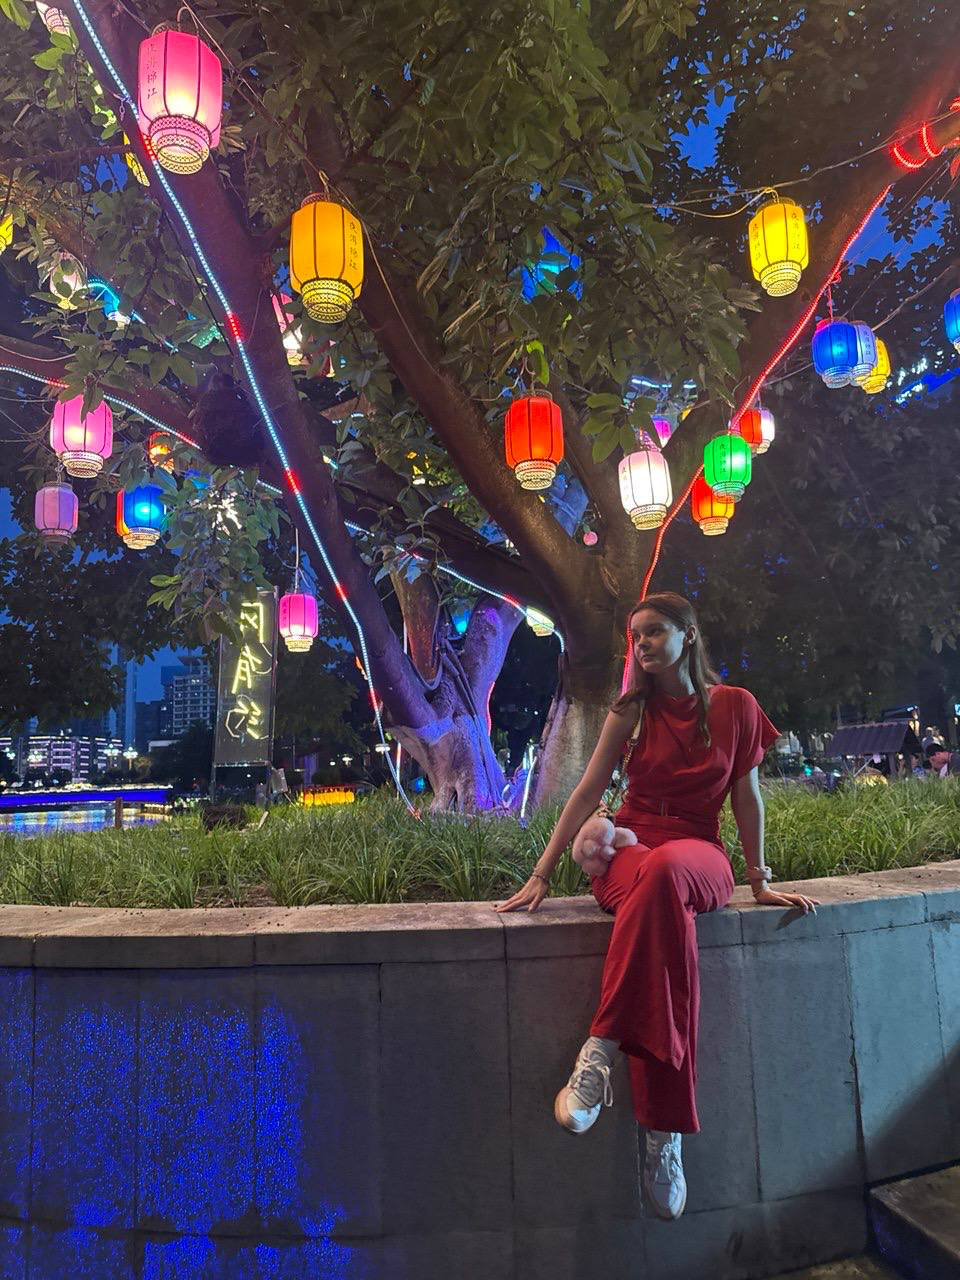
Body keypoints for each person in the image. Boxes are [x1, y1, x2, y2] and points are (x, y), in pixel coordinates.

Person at [495, 592, 818, 1221]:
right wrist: (541, 873)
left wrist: (758, 880)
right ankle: (663, 1133)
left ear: (687, 635)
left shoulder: (736, 706)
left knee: (668, 872)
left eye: (652, 632)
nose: (640, 644)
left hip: (697, 851)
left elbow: (746, 797)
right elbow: (587, 791)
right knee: (661, 900)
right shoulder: (631, 710)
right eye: (634, 636)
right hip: (628, 848)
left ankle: (600, 1049)